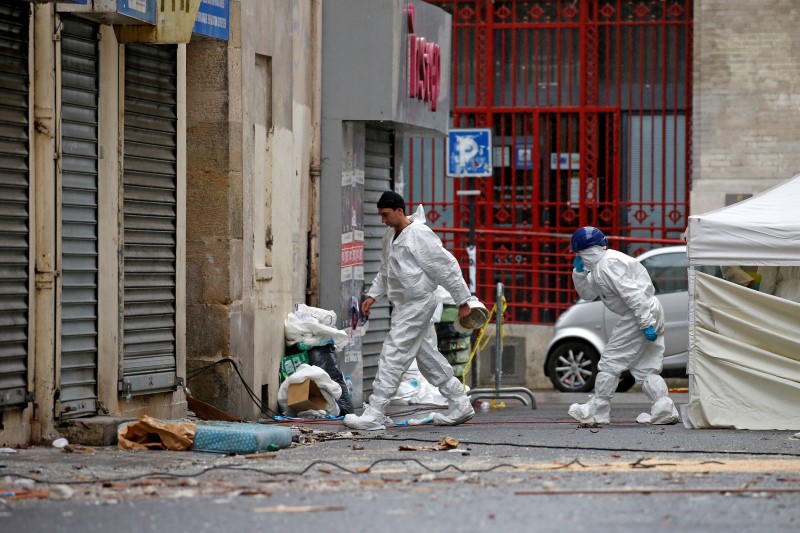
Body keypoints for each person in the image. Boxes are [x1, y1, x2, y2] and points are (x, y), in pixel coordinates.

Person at [343, 191, 475, 430]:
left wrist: (463, 300)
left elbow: (446, 267)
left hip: (419, 303)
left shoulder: (419, 235)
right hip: (404, 304)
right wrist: (373, 295)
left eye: (386, 215)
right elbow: (386, 271)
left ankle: (375, 412)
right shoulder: (390, 236)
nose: (383, 220)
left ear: (399, 211)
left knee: (393, 352)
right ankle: (460, 402)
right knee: (426, 357)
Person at [567, 227, 679, 425]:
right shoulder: (599, 267)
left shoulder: (608, 265)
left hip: (639, 313)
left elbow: (633, 295)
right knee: (646, 367)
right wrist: (579, 273)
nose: (578, 257)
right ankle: (663, 408)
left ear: (589, 250)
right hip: (646, 311)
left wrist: (645, 323)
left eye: (579, 253)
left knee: (610, 363)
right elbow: (588, 294)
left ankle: (597, 411)